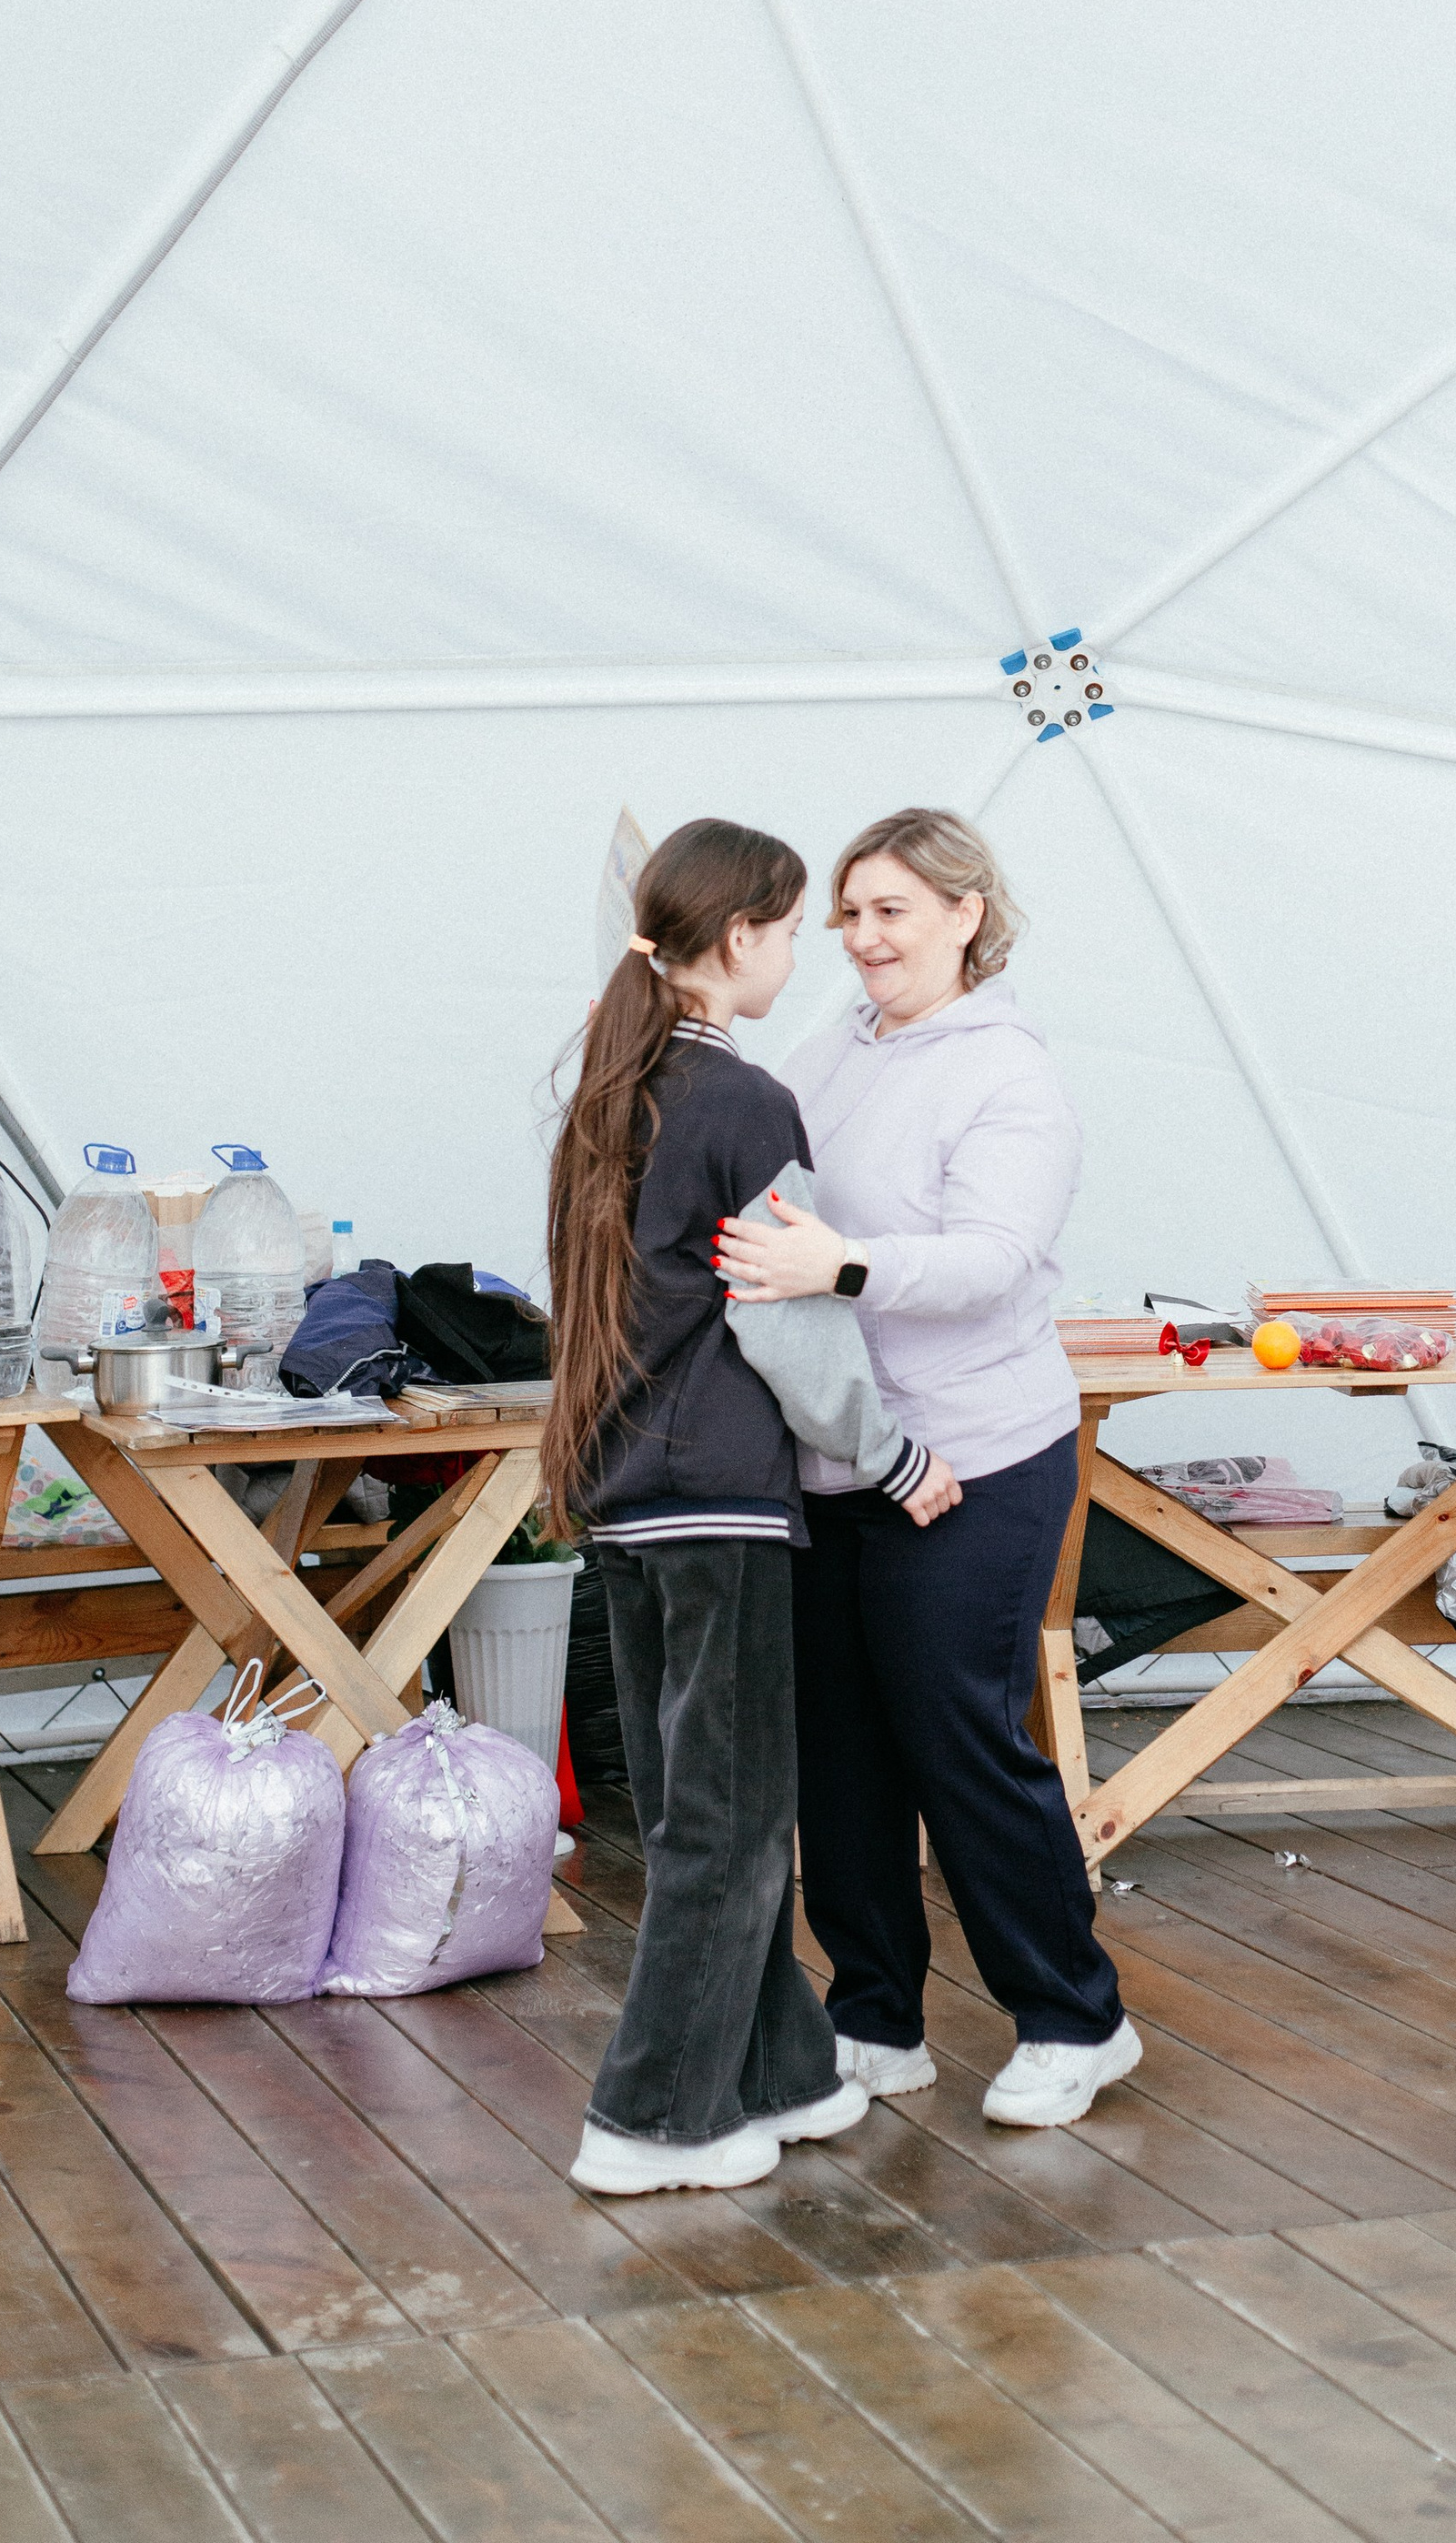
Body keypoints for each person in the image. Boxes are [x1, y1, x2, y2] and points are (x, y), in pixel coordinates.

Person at [543, 815, 960, 2198]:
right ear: (738, 940)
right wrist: (895, 1462)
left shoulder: (614, 1089)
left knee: (690, 1812)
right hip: (718, 1506)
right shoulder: (746, 1103)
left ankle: (782, 2071)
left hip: (623, 1495)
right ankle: (652, 2122)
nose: (808, 952)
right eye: (793, 930)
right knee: (728, 1823)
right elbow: (788, 1324)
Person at [718, 806, 1140, 2130]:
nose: (863, 938)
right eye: (847, 914)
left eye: (892, 910)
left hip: (983, 1454)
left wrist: (841, 1266)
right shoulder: (831, 1047)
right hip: (844, 1452)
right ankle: (872, 2018)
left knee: (957, 1738)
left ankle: (1078, 2018)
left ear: (967, 913)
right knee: (838, 1747)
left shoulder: (1009, 1074)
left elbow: (994, 1260)